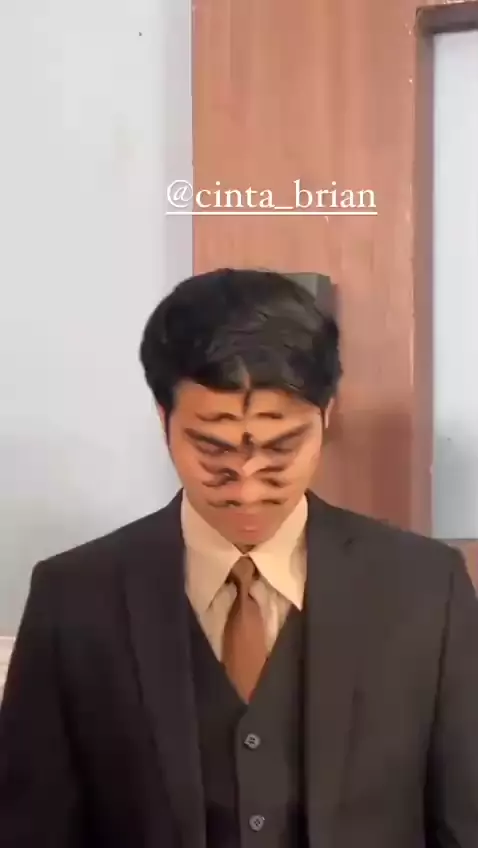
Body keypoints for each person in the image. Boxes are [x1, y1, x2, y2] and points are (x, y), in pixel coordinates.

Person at [1, 268, 477, 848]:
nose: (247, 485)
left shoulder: (427, 590)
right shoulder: (73, 598)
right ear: (164, 420)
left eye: (281, 447)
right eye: (212, 447)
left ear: (326, 415)